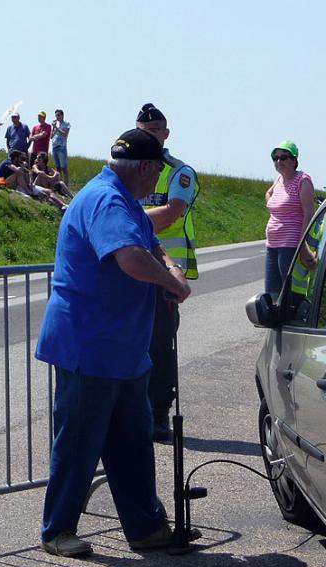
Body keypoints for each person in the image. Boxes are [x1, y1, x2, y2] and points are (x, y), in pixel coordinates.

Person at [34, 128, 191, 558]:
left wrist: (171, 269)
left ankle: (145, 527)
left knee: (132, 441)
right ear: (144, 167)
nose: (158, 178)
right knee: (80, 442)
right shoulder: (105, 198)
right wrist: (169, 283)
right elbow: (131, 258)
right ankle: (58, 530)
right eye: (157, 169)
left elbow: (150, 245)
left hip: (121, 349)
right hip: (90, 344)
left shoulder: (124, 201)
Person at [135, 102, 200, 443]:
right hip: (130, 269)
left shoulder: (177, 171)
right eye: (141, 133)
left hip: (164, 272)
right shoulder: (131, 168)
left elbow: (173, 212)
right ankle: (135, 408)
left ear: (165, 134)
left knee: (160, 345)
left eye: (152, 133)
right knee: (134, 341)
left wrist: (126, 221)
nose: (146, 139)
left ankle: (159, 411)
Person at [263, 141, 314, 297]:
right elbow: (268, 194)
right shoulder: (279, 180)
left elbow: (309, 214)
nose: (279, 161)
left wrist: (302, 246)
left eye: (284, 157)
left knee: (288, 293)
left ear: (294, 160)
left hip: (290, 245)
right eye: (275, 158)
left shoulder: (302, 180)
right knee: (272, 292)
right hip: (272, 244)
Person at [51, 108, 71, 186]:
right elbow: (51, 136)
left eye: (58, 115)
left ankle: (66, 185)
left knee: (64, 167)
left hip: (61, 147)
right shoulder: (55, 124)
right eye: (56, 115)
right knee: (57, 167)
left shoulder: (67, 124)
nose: (57, 117)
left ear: (62, 115)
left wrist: (56, 128)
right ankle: (59, 184)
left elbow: (65, 134)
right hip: (54, 146)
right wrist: (54, 128)